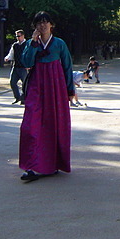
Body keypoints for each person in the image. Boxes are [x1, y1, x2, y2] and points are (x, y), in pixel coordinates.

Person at [19, 11, 76, 182]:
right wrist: (33, 44)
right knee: (31, 124)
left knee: (55, 124)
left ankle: (52, 164)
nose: (42, 25)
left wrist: (69, 89)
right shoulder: (31, 43)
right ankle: (31, 165)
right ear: (35, 26)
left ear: (51, 24)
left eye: (46, 22)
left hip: (55, 87)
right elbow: (26, 62)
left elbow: (67, 66)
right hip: (37, 85)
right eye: (39, 23)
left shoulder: (59, 44)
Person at [4, 29, 28, 104]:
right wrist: (7, 58)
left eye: (19, 36)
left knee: (25, 84)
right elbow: (11, 54)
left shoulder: (27, 44)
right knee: (12, 82)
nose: (17, 37)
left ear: (23, 36)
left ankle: (24, 98)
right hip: (16, 66)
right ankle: (17, 97)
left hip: (24, 67)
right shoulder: (15, 45)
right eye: (17, 36)